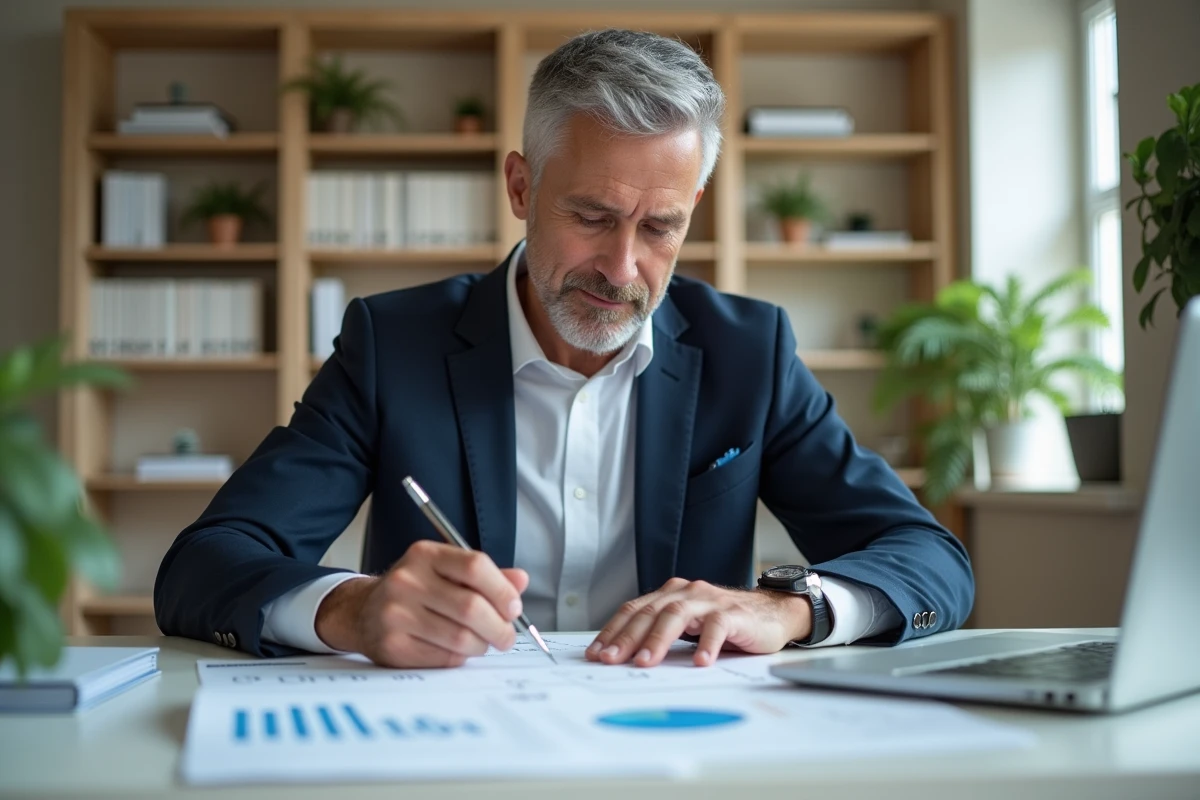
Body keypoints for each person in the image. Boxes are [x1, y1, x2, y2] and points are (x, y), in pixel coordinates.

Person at [154, 29, 973, 670]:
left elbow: (931, 559)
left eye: (660, 227)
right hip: (448, 746)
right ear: (521, 187)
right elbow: (205, 566)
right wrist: (349, 610)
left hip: (676, 745)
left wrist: (792, 607)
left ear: (694, 207)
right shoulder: (392, 345)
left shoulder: (748, 353)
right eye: (590, 216)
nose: (623, 270)